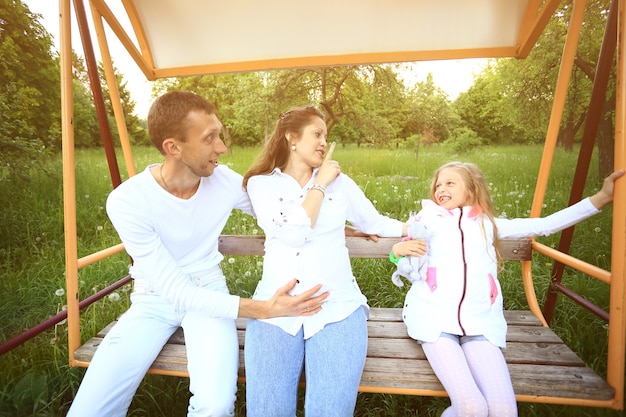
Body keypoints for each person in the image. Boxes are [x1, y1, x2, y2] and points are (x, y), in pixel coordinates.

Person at [66, 91, 329, 417]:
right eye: (209, 138)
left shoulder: (224, 182)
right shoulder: (127, 201)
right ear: (173, 147)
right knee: (88, 411)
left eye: (219, 134)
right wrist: (262, 309)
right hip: (152, 301)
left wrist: (341, 224)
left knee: (215, 406)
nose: (222, 147)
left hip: (209, 292)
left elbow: (282, 217)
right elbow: (175, 291)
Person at [389, 161, 624, 417]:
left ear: (470, 190)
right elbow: (402, 255)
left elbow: (544, 224)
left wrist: (601, 198)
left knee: (504, 410)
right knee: (472, 407)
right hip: (434, 323)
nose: (440, 188)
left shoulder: (488, 224)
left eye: (449, 183)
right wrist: (397, 252)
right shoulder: (426, 223)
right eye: (438, 184)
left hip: (479, 323)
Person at [241, 105, 408, 417]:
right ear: (291, 137)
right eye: (317, 134)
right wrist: (320, 184)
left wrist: (417, 229)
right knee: (267, 411)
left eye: (325, 136)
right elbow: (292, 234)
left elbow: (375, 223)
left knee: (329, 412)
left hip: (337, 306)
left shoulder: (341, 183)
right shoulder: (261, 184)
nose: (323, 142)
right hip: (275, 306)